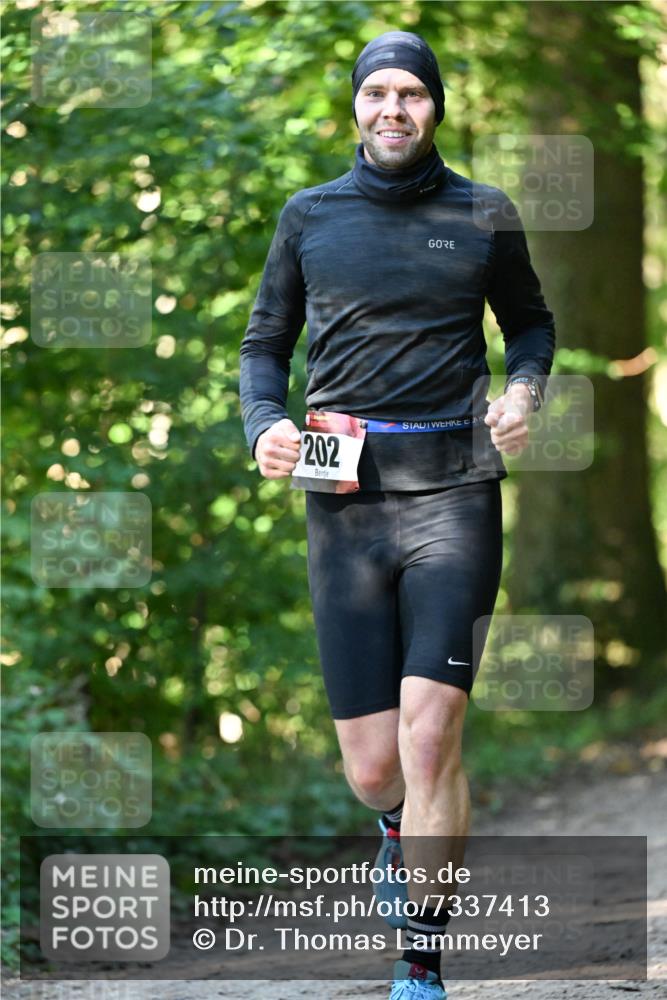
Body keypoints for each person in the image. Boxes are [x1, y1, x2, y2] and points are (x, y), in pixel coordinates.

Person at [239, 29, 555, 1000]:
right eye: (376, 92)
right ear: (354, 107)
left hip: (456, 483)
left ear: (436, 108)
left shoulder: (483, 211)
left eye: (410, 94)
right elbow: (264, 345)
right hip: (341, 482)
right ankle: (392, 825)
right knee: (377, 768)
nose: (392, 109)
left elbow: (531, 324)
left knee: (431, 737)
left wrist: (525, 391)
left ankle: (420, 961)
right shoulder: (308, 217)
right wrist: (265, 427)